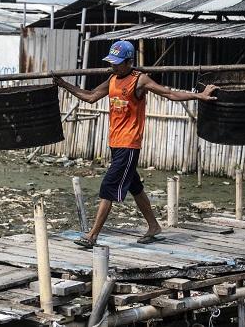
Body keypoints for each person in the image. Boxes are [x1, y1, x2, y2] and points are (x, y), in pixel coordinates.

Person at [53, 40, 217, 246]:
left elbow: (169, 93)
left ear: (129, 62)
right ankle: (153, 226)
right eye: (112, 62)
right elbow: (91, 96)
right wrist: (63, 84)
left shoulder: (139, 80)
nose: (114, 66)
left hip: (129, 144)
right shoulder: (112, 79)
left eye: (118, 63)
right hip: (115, 142)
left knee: (108, 187)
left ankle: (92, 236)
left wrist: (198, 95)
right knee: (134, 186)